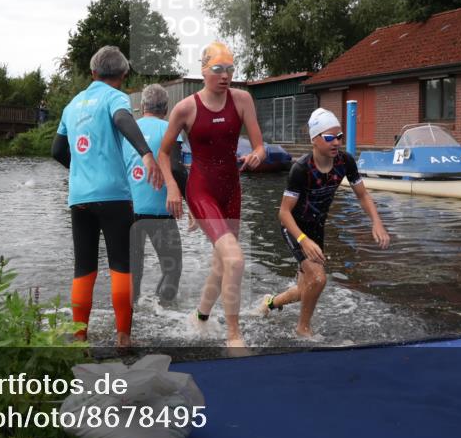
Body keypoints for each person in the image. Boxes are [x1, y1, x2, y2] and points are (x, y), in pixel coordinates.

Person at [51, 46, 162, 347]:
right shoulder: (115, 97)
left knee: (83, 268)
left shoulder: (71, 106)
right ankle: (123, 336)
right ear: (123, 76)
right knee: (120, 266)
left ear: (93, 73)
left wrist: (81, 172)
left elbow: (57, 150)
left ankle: (79, 337)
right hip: (114, 196)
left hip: (79, 198)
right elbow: (124, 120)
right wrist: (147, 154)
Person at [157, 41, 265, 349]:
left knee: (223, 263)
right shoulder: (186, 108)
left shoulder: (243, 100)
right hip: (201, 189)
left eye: (230, 68)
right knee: (236, 259)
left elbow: (260, 145)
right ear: (204, 71)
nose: (225, 75)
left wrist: (258, 153)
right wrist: (174, 187)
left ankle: (200, 318)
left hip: (231, 190)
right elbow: (164, 154)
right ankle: (234, 335)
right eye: (218, 69)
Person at [262, 108, 391, 338]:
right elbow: (283, 213)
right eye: (329, 137)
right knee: (319, 279)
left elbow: (362, 195)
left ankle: (270, 304)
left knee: (305, 290)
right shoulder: (301, 169)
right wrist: (303, 240)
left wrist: (377, 222)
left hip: (316, 228)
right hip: (295, 229)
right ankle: (302, 329)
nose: (336, 142)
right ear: (314, 139)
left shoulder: (345, 162)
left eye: (339, 137)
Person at [122, 84, 188, 307]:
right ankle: (164, 311)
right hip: (161, 213)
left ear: (141, 107)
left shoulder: (127, 131)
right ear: (166, 108)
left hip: (129, 212)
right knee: (173, 268)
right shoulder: (168, 129)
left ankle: (131, 320)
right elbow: (177, 168)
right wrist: (191, 202)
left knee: (133, 271)